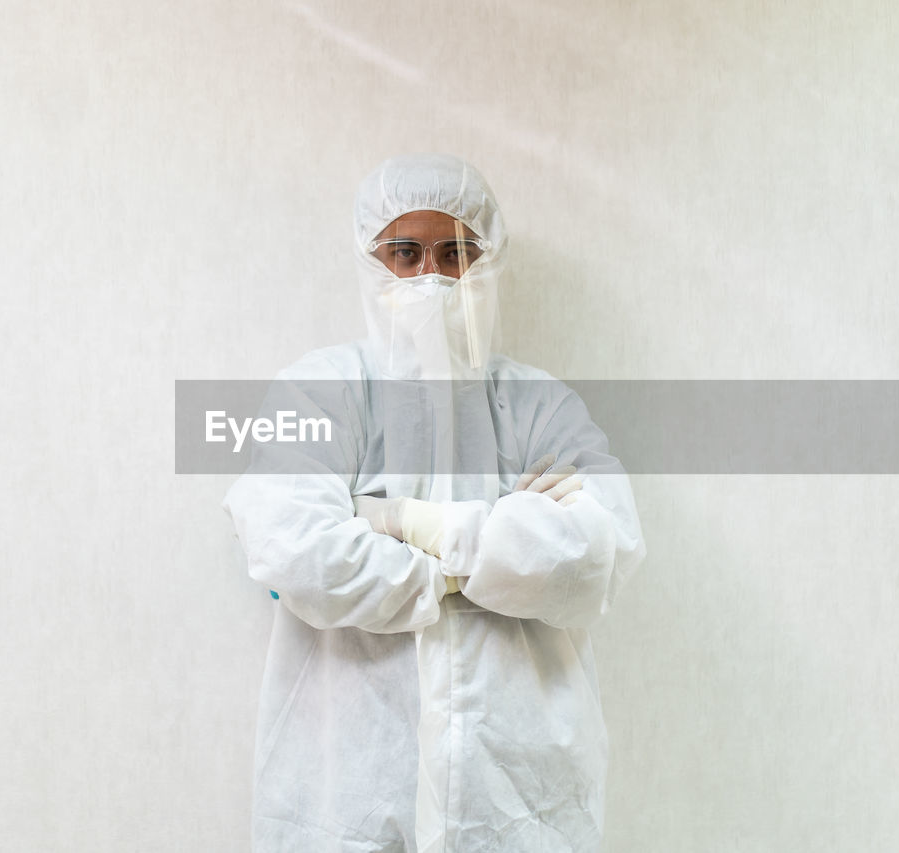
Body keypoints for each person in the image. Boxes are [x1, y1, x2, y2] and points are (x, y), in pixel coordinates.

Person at [223, 153, 645, 852]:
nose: (432, 277)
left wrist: (401, 521)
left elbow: (602, 547)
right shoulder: (321, 388)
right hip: (347, 795)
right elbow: (292, 546)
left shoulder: (537, 404)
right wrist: (503, 548)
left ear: (487, 260)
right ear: (371, 260)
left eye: (456, 252)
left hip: (517, 797)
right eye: (406, 252)